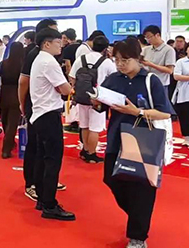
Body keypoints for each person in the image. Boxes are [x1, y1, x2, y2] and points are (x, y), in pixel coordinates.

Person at [98, 38, 172, 248]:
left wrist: (137, 111)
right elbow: (103, 105)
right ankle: (139, 215)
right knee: (111, 179)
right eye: (116, 60)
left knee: (143, 189)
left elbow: (165, 112)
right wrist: (95, 101)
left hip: (143, 141)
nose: (120, 64)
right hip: (116, 139)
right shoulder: (113, 79)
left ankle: (138, 237)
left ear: (138, 58)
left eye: (125, 60)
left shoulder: (150, 81)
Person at [30, 27, 75, 221]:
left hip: (40, 114)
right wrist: (67, 88)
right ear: (46, 44)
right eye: (58, 42)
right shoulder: (49, 61)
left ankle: (42, 199)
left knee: (42, 158)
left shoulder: (39, 59)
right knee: (52, 160)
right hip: (48, 114)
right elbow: (65, 89)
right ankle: (49, 204)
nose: (61, 45)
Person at [18, 18, 64, 202]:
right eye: (55, 35)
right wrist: (22, 103)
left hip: (44, 104)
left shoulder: (46, 56)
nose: (59, 41)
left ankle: (45, 183)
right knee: (36, 147)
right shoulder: (36, 55)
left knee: (44, 149)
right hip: (38, 105)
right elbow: (23, 81)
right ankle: (32, 184)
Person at [69, 36, 116, 163]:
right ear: (106, 48)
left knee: (84, 125)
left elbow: (72, 77)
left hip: (82, 96)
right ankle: (91, 154)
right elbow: (114, 79)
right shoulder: (107, 62)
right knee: (95, 128)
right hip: (98, 98)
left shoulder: (81, 59)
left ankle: (85, 150)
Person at [0, 41, 24, 158]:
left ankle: (9, 144)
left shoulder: (4, 63)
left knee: (4, 121)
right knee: (12, 124)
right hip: (17, 94)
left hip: (4, 94)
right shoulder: (23, 65)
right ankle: (6, 149)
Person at [142, 25, 176, 94]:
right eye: (146, 38)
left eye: (149, 37)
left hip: (161, 84)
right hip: (146, 83)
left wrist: (151, 65)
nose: (148, 40)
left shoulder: (169, 50)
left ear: (157, 35)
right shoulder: (145, 49)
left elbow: (169, 70)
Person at [173, 43, 189, 147]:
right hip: (184, 93)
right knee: (185, 116)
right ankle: (187, 138)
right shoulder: (181, 62)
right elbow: (176, 76)